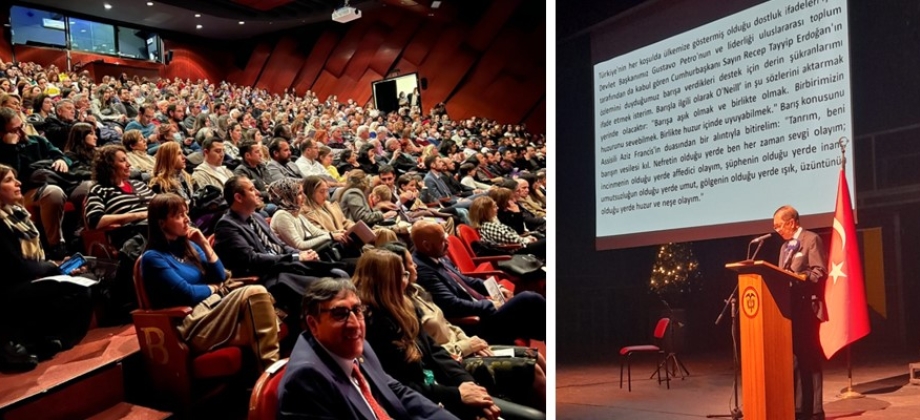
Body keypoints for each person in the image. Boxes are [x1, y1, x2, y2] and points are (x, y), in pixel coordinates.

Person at [354, 249, 543, 420]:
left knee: (533, 390)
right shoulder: (372, 326)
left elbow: (436, 353)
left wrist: (468, 385)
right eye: (401, 274)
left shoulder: (406, 307)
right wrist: (457, 394)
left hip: (444, 383)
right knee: (533, 415)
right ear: (386, 281)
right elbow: (403, 386)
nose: (407, 278)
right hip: (429, 402)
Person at [277, 278, 457, 419]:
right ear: (313, 324)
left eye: (357, 310)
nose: (355, 325)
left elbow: (396, 391)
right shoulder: (305, 380)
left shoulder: (357, 346)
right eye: (340, 314)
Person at [141, 193, 280, 370]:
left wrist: (205, 244)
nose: (186, 220)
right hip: (193, 323)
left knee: (260, 323)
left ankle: (267, 376)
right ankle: (271, 376)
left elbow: (220, 276)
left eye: (186, 213)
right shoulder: (153, 258)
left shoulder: (190, 246)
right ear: (162, 223)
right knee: (255, 292)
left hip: (215, 311)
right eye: (178, 216)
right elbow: (188, 293)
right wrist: (214, 288)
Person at [212, 175, 346, 323]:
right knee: (331, 288)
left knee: (339, 273)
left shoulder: (256, 217)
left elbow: (280, 246)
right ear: (238, 197)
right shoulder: (227, 226)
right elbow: (251, 259)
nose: (258, 192)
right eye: (251, 189)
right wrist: (295, 257)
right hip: (268, 276)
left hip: (285, 266)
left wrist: (300, 253)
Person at [0, 164, 93, 372]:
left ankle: (52, 340)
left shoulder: (17, 214)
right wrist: (52, 267)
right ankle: (31, 343)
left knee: (84, 284)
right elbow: (15, 266)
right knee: (69, 289)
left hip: (29, 276)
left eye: (16, 178)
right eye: (8, 180)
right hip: (9, 286)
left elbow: (36, 256)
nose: (18, 183)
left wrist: (58, 265)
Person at [411, 220, 545, 345]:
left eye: (446, 237)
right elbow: (451, 304)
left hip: (481, 310)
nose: (447, 243)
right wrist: (489, 305)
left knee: (531, 317)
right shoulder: (423, 270)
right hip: (475, 325)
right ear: (427, 245)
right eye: (442, 241)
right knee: (529, 299)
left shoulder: (438, 256)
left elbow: (465, 280)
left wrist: (496, 288)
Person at [773, 205, 827, 420]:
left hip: (807, 308)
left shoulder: (811, 240)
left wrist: (801, 277)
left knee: (810, 360)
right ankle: (797, 409)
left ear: (792, 222)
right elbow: (779, 275)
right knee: (794, 360)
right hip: (789, 310)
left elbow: (819, 272)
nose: (776, 230)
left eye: (779, 225)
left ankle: (814, 410)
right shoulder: (785, 247)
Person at [0, 107, 71, 258]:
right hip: (24, 191)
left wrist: (61, 160)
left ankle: (80, 236)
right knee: (53, 193)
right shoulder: (3, 151)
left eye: (22, 126)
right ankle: (56, 246)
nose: (21, 133)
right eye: (14, 130)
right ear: (2, 133)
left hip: (54, 180)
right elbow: (13, 178)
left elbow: (63, 156)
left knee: (87, 188)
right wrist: (11, 148)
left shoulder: (36, 140)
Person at [84, 144, 156, 248]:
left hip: (157, 225)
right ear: (109, 166)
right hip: (132, 234)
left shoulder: (139, 184)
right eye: (122, 161)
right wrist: (140, 215)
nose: (129, 164)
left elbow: (160, 205)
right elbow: (96, 221)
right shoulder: (99, 190)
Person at [268, 178, 346, 252]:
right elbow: (299, 246)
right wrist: (331, 236)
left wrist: (337, 233)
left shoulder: (297, 215)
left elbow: (317, 232)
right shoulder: (282, 216)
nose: (304, 197)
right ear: (288, 197)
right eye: (299, 193)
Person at [470, 195, 545, 260]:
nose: (497, 208)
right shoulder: (488, 226)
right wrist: (526, 240)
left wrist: (526, 238)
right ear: (486, 211)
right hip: (514, 252)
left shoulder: (492, 221)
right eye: (494, 207)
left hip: (516, 246)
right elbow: (510, 239)